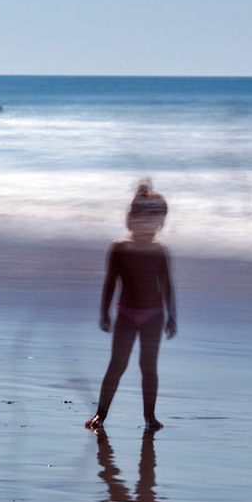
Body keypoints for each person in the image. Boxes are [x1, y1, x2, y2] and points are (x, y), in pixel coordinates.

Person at [86, 181, 179, 432]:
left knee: (148, 368)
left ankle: (150, 417)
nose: (148, 226)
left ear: (160, 224)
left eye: (155, 221)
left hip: (154, 315)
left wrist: (172, 316)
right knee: (117, 364)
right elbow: (110, 283)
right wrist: (104, 312)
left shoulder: (160, 251)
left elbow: (167, 286)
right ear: (130, 220)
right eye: (142, 220)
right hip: (126, 313)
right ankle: (100, 415)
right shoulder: (119, 248)